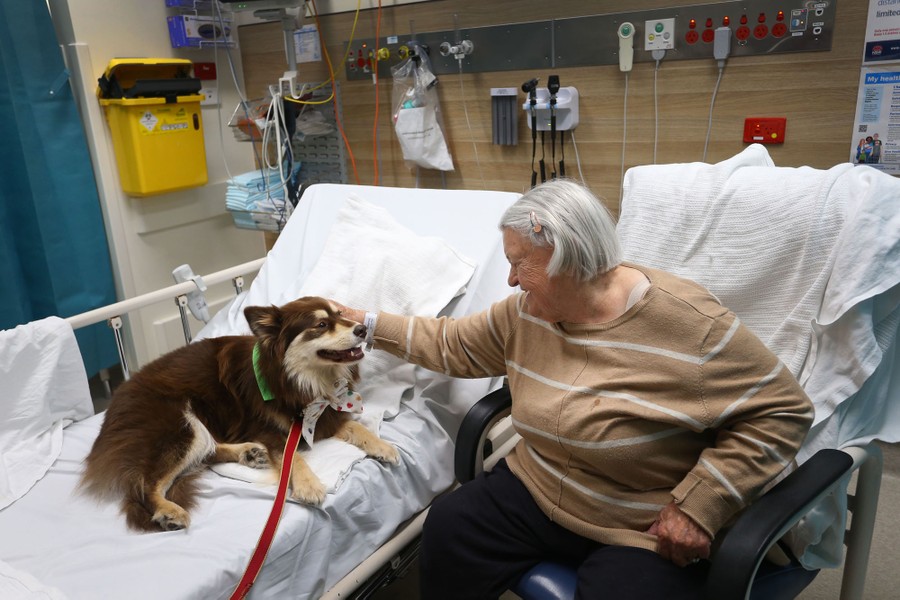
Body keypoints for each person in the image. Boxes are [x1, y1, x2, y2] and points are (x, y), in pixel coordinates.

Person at [333, 179, 814, 599]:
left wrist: (700, 505)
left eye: (521, 263)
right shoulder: (525, 311)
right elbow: (453, 343)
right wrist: (366, 325)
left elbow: (783, 411)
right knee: (451, 526)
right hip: (539, 488)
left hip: (640, 521)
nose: (511, 279)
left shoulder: (692, 328)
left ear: (569, 257)